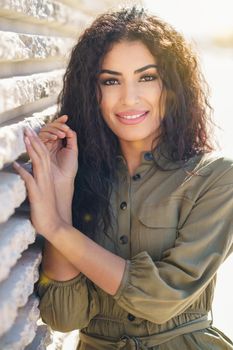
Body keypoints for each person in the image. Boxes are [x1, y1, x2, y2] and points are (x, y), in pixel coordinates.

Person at [13, 6, 233, 350]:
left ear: (171, 85)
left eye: (147, 77)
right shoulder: (82, 175)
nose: (129, 97)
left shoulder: (216, 178)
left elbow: (161, 299)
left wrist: (57, 229)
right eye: (110, 81)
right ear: (93, 93)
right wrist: (62, 188)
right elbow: (64, 316)